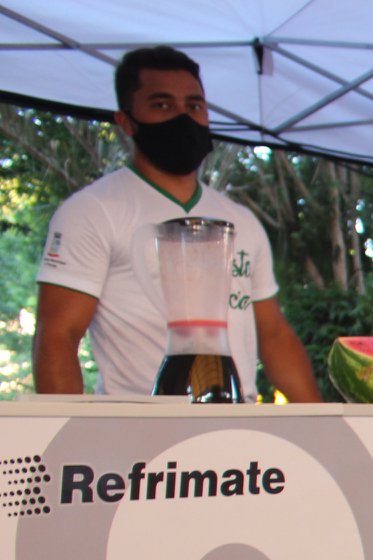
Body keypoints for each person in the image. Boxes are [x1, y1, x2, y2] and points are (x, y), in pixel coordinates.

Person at [33, 46, 318, 401]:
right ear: (126, 121)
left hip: (238, 434)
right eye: (162, 105)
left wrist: (326, 432)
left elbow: (273, 335)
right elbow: (58, 335)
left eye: (194, 106)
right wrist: (71, 436)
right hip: (140, 433)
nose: (183, 117)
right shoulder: (92, 211)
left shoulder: (241, 222)